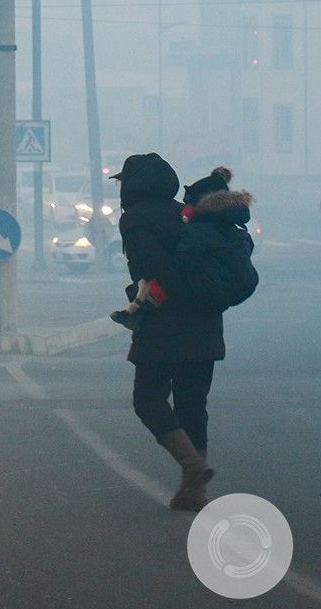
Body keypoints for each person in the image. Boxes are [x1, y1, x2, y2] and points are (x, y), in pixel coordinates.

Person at [111, 153, 224, 512]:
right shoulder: (186, 212)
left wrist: (145, 297)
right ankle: (195, 492)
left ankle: (193, 468)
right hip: (205, 320)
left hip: (163, 323)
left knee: (148, 400)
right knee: (192, 405)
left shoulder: (135, 219)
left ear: (132, 185)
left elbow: (154, 269)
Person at [110, 166, 257, 332]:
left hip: (183, 314)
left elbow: (181, 265)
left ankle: (137, 311)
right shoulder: (236, 231)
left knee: (158, 288)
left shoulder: (195, 230)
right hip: (232, 295)